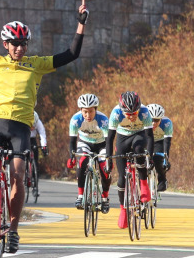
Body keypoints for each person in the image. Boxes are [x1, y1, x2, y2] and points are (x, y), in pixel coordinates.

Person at [0, 0, 89, 253]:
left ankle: (13, 230)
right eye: (14, 44)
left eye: (23, 43)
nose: (19, 48)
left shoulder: (36, 64)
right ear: (5, 44)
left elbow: (71, 54)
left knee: (18, 175)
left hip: (21, 128)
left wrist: (81, 23)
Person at [105, 91, 154, 228]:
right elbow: (109, 139)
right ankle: (123, 210)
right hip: (122, 138)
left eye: (134, 113)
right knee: (121, 178)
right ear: (122, 111)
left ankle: (144, 185)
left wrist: (148, 156)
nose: (132, 116)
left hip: (139, 135)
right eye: (128, 114)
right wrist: (109, 159)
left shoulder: (144, 112)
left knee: (139, 150)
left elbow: (150, 136)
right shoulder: (116, 113)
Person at [67, 93, 111, 213]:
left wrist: (108, 158)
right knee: (81, 162)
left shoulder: (103, 120)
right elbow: (72, 141)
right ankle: (80, 195)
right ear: (80, 110)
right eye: (85, 111)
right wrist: (72, 156)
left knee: (105, 168)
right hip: (85, 143)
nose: (88, 115)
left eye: (91, 111)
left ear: (95, 109)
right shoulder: (75, 120)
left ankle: (105, 198)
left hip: (102, 144)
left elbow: (108, 142)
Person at [146, 103, 172, 192]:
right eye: (151, 120)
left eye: (156, 120)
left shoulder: (167, 123)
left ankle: (162, 180)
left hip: (159, 142)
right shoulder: (142, 120)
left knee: (158, 158)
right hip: (146, 141)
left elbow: (167, 142)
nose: (153, 123)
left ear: (161, 119)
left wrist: (165, 159)